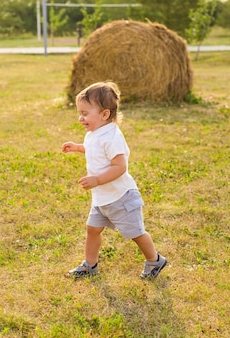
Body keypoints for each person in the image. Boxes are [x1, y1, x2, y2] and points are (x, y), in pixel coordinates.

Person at [61, 81, 167, 279]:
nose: (80, 118)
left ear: (104, 114)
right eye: (80, 113)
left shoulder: (112, 136)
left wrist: (97, 180)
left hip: (121, 197)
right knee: (92, 229)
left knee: (136, 233)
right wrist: (78, 147)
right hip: (102, 198)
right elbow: (95, 150)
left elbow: (120, 167)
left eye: (85, 113)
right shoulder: (94, 133)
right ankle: (90, 265)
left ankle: (155, 260)